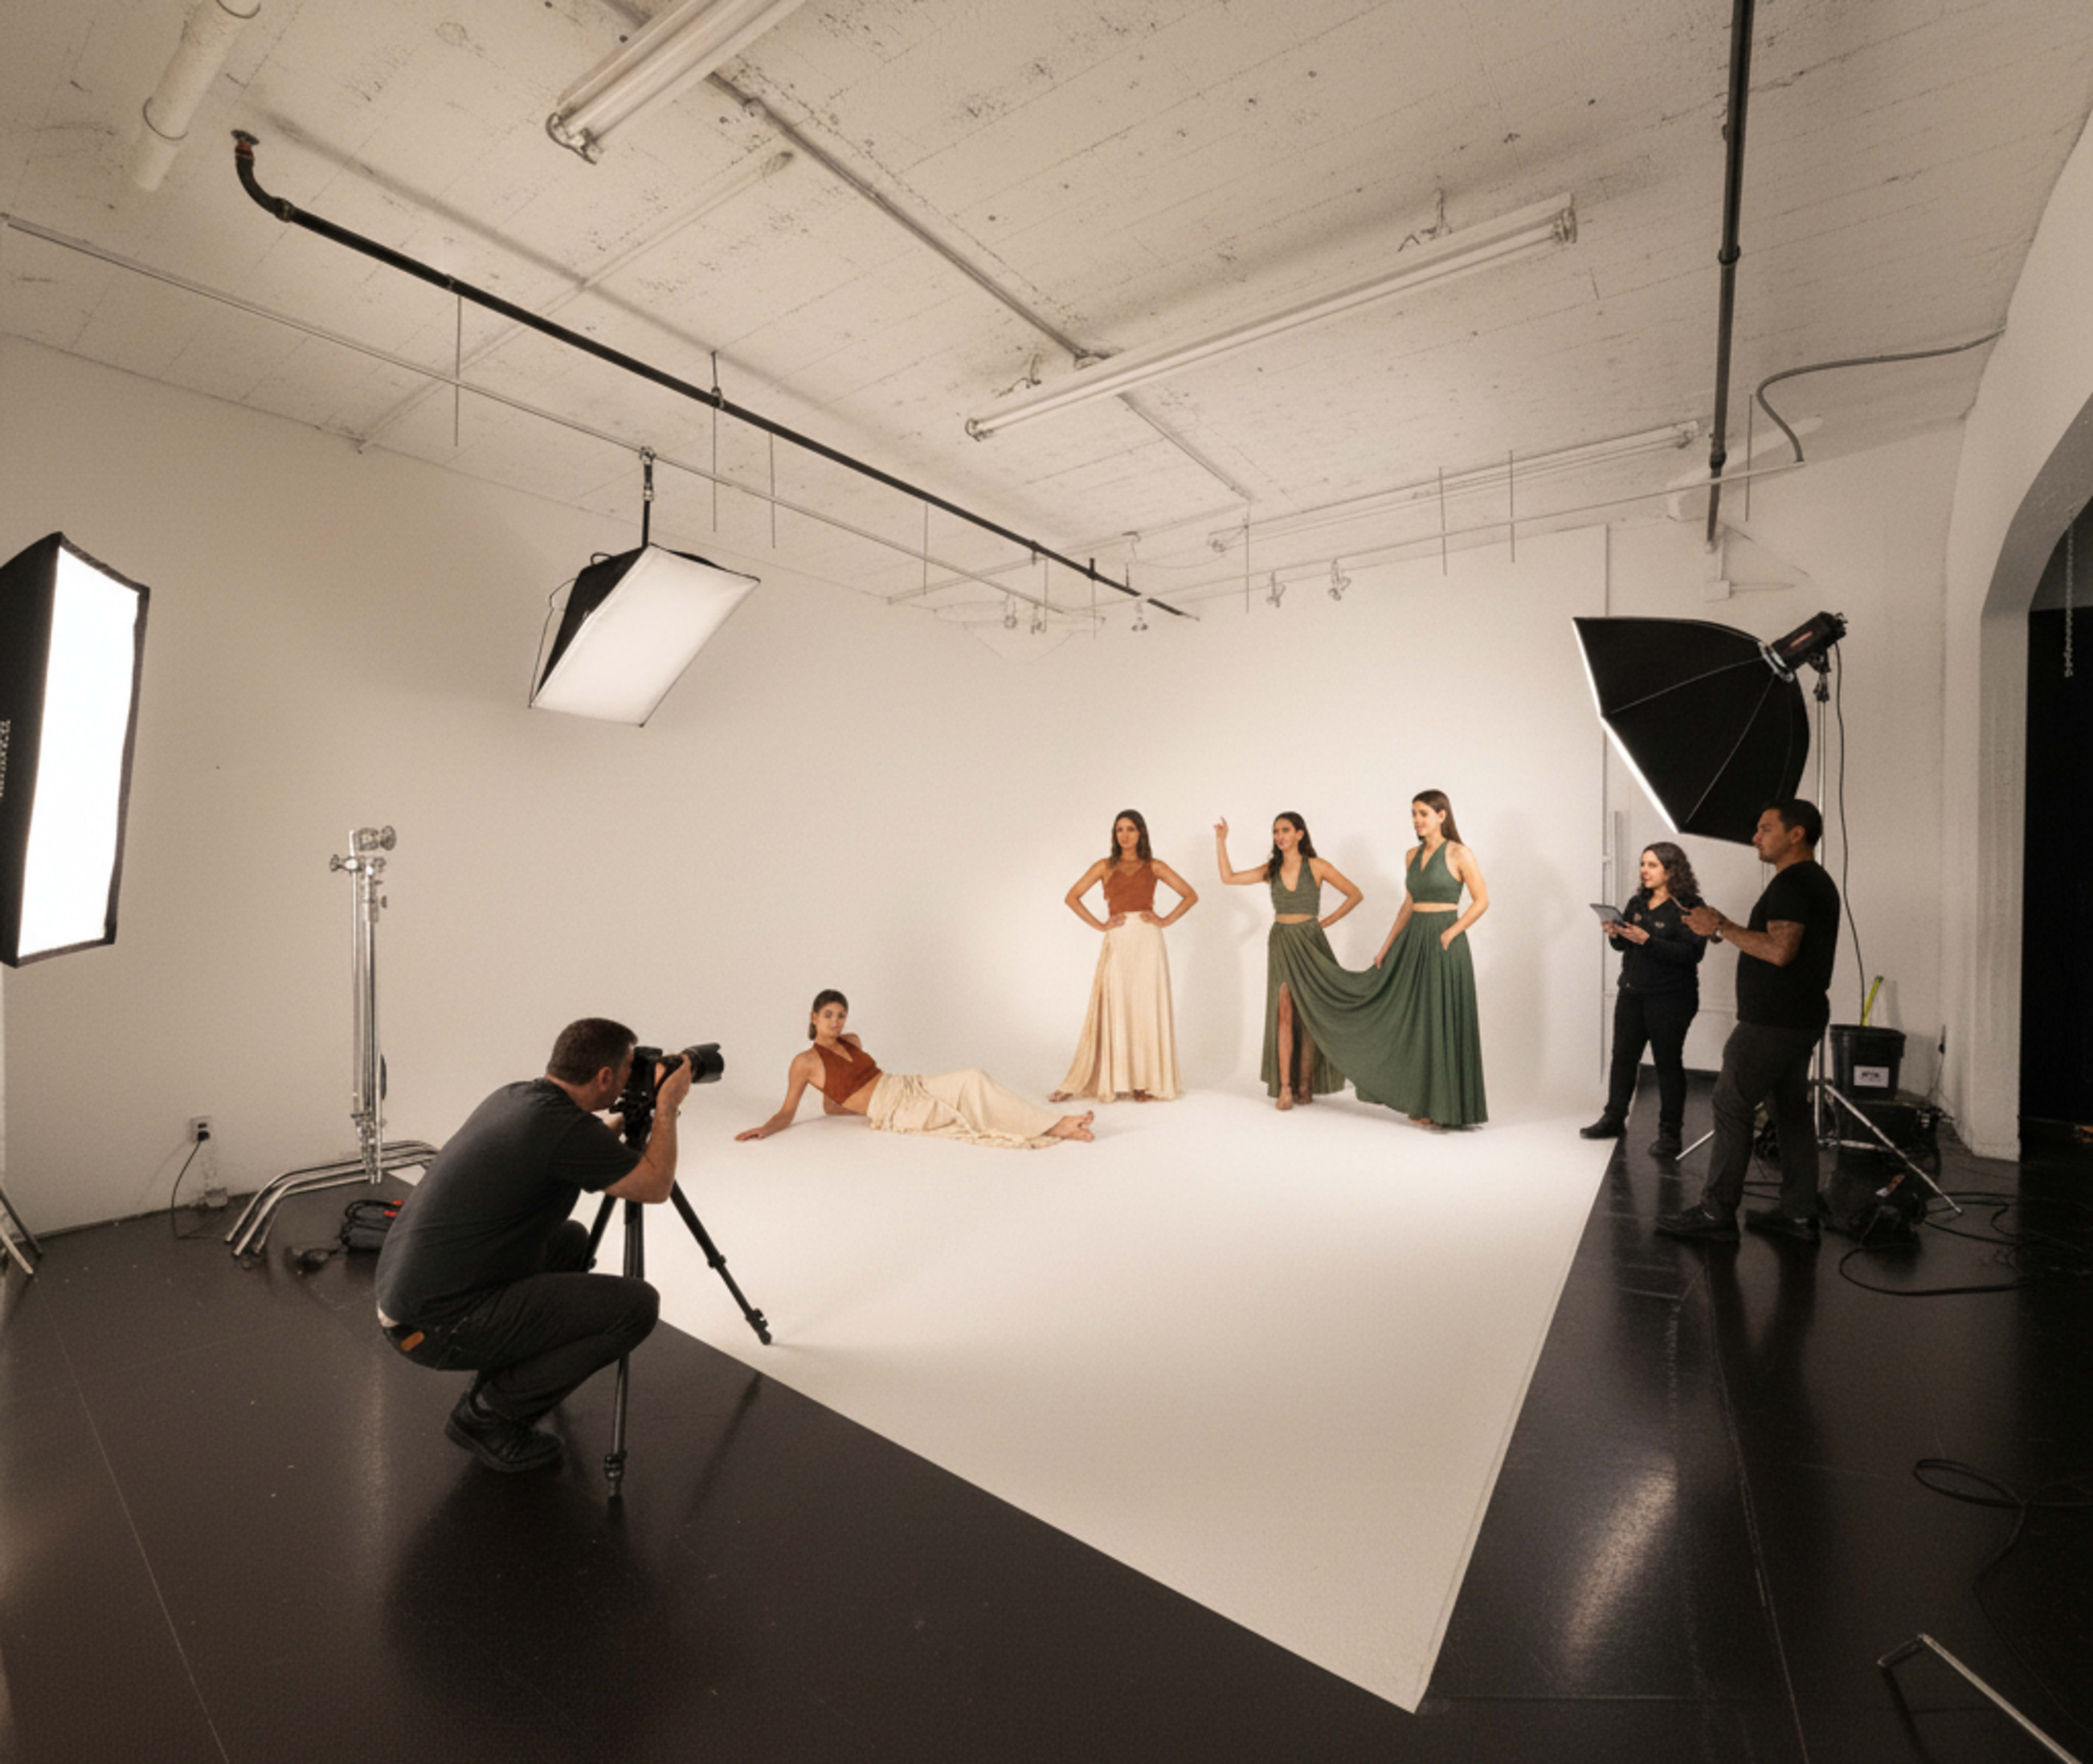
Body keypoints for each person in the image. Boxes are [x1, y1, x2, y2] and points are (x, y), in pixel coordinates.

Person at [373, 1018, 692, 1473]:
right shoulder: (561, 1129)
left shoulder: (518, 1098)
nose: (631, 1076)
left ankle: (504, 1376)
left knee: (571, 1241)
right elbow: (655, 1186)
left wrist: (629, 1117)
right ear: (604, 1076)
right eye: (628, 1068)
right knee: (635, 1307)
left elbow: (574, 1147)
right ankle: (488, 1416)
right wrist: (667, 1108)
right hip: (433, 1327)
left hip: (411, 1295)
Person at [1656, 799, 1842, 1243]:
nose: (1755, 838)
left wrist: (1721, 927)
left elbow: (1780, 951)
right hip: (1799, 1017)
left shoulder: (1793, 884)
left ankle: (1716, 1212)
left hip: (1772, 1022)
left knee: (1731, 1104)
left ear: (1796, 834)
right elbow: (1775, 944)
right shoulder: (1812, 881)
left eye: (1765, 829)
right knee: (1790, 1112)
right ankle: (1799, 1212)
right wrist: (1724, 926)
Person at [737, 990, 1095, 1147]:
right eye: (828, 1015)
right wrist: (765, 1129)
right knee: (958, 1114)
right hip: (893, 1109)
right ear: (814, 1017)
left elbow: (832, 1104)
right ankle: (1057, 1126)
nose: (836, 1021)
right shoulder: (804, 1063)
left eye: (841, 1015)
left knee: (973, 1078)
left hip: (905, 1084)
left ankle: (1049, 1121)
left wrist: (847, 1105)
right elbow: (788, 1112)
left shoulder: (853, 1040)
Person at [1215, 812, 1363, 1108]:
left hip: (1310, 942)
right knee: (1284, 1011)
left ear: (1300, 834)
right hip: (1282, 940)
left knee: (1309, 1013)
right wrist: (1221, 841)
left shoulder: (1318, 866)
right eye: (1276, 832)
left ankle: (1305, 1084)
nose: (1280, 836)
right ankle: (1285, 1087)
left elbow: (1355, 894)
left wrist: (1328, 921)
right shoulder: (1272, 869)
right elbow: (1228, 878)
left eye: (1285, 830)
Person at [1050, 809, 1198, 1104]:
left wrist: (1164, 920)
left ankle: (1143, 1082)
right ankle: (1114, 1079)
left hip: (1148, 942)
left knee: (1145, 1008)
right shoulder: (1105, 866)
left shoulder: (1154, 866)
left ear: (1140, 833)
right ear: (1114, 834)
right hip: (1119, 940)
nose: (1125, 835)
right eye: (1120, 830)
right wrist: (1101, 925)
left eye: (1131, 829)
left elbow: (1190, 895)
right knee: (1117, 1005)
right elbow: (1072, 897)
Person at [1368, 790, 1490, 1129]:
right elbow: (1409, 904)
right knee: (1420, 1021)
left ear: (1442, 815)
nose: (1417, 820)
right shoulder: (1412, 855)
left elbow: (1482, 900)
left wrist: (1452, 932)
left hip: (1445, 941)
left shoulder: (1460, 853)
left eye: (1423, 813)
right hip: (1415, 941)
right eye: (1414, 814)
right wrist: (1386, 947)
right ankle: (1423, 1101)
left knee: (1441, 1018)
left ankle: (1448, 1107)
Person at [1581, 842, 1707, 1158]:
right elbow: (1625, 947)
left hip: (1671, 998)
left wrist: (1649, 940)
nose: (1644, 871)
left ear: (1672, 870)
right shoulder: (1637, 903)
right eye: (1642, 864)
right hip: (1632, 993)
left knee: (1667, 1062)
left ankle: (1670, 1133)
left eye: (1652, 865)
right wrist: (1616, 934)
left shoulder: (1691, 907)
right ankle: (1613, 1118)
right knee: (1623, 1057)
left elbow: (1693, 954)